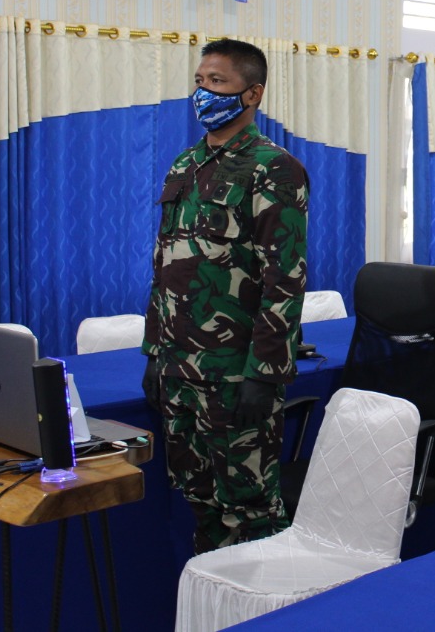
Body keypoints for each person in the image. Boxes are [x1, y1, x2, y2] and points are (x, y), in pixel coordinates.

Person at [141, 39, 309, 554]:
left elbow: (286, 276)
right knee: (199, 499)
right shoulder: (186, 164)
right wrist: (155, 354)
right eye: (199, 81)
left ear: (252, 94)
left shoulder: (272, 168)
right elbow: (164, 266)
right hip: (180, 371)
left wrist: (267, 371)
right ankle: (215, 605)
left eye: (217, 82)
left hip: (236, 372)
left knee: (251, 508)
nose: (204, 92)